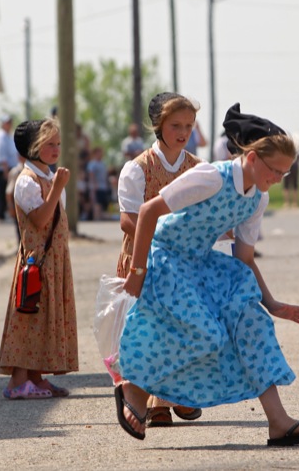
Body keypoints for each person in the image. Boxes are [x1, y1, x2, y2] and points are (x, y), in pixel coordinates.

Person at [114, 103, 299, 447]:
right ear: (253, 158)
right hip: (168, 257)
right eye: (275, 170)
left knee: (252, 323)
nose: (276, 179)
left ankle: (279, 422)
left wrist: (271, 304)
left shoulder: (257, 198)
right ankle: (134, 389)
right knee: (206, 334)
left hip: (202, 263)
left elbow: (244, 257)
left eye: (284, 174)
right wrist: (138, 271)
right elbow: (148, 211)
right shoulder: (212, 176)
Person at [116, 92, 203, 427]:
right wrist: (161, 236)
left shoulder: (197, 168)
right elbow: (127, 218)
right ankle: (159, 398)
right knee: (149, 329)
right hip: (143, 257)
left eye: (189, 126)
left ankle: (166, 397)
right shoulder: (137, 169)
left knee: (180, 326)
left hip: (181, 261)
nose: (183, 132)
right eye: (175, 125)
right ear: (158, 126)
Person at [0, 118, 78, 399]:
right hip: (36, 263)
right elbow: (41, 219)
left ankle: (37, 376)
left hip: (53, 261)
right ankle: (18, 381)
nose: (56, 149)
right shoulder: (26, 181)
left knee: (45, 318)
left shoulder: (47, 177)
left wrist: (55, 185)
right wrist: (56, 188)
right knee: (29, 317)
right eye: (49, 144)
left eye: (58, 143)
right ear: (33, 147)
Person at [0, 115, 19, 221]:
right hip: (1, 168)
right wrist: (6, 171)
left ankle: (5, 212)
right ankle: (0, 214)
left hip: (7, 167)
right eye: (7, 122)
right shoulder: (1, 136)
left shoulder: (8, 136)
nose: (9, 124)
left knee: (6, 191)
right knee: (3, 191)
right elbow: (1, 155)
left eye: (10, 122)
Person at [87, 146, 111, 220]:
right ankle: (96, 218)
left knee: (102, 203)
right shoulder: (92, 164)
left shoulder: (103, 163)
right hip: (96, 187)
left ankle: (100, 218)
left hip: (103, 186)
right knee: (97, 203)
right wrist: (94, 185)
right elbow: (91, 174)